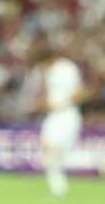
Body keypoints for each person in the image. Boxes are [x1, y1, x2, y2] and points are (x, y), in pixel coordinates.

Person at [33, 44, 85, 198]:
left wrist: (62, 105)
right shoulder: (49, 71)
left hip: (67, 114)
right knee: (48, 149)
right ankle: (58, 189)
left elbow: (79, 92)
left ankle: (97, 162)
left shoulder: (67, 68)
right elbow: (51, 96)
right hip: (54, 115)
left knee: (59, 153)